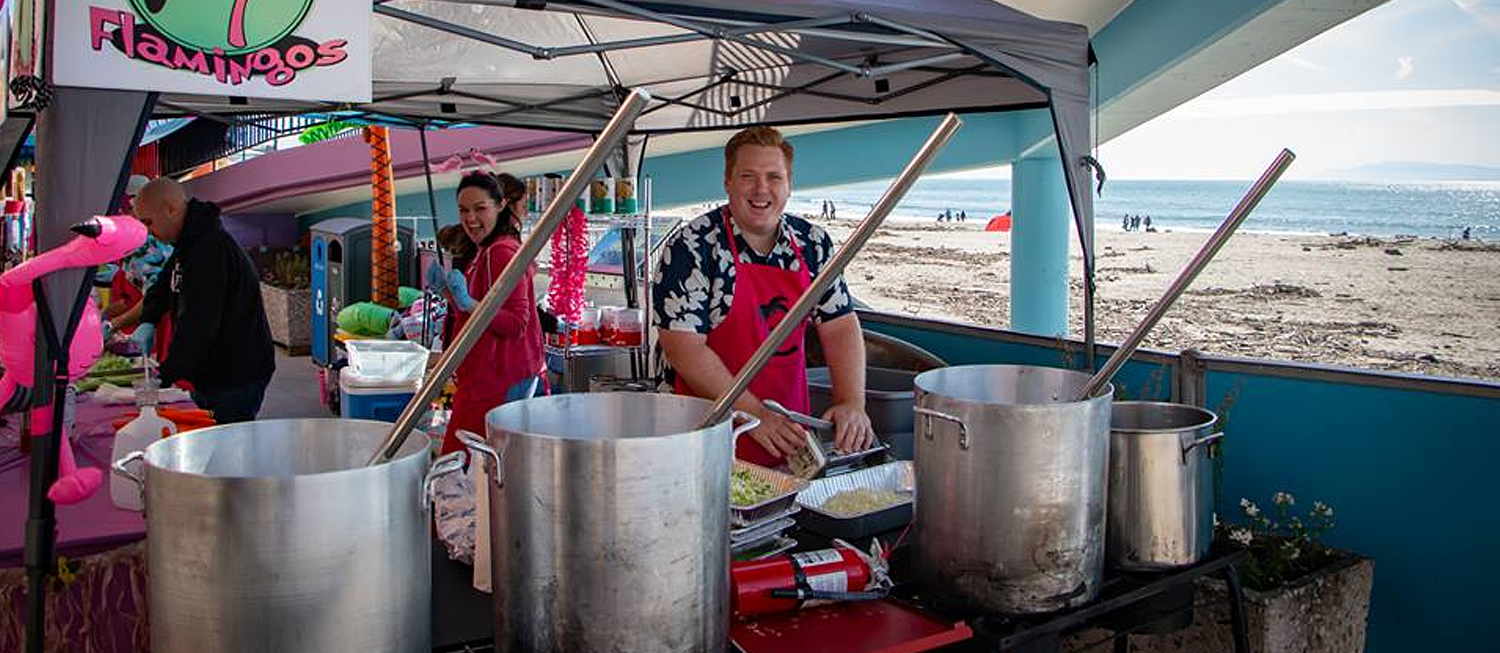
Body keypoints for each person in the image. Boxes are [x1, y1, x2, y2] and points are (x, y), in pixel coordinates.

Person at [654, 126, 874, 466]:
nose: (761, 189)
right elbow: (683, 348)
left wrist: (851, 401)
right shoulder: (693, 246)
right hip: (704, 432)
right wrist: (753, 414)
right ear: (727, 182)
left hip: (789, 434)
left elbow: (840, 324)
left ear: (788, 185)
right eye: (748, 176)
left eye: (774, 177)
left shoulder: (812, 244)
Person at [112, 178, 274, 423]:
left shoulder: (210, 249)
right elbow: (163, 287)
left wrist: (164, 376)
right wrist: (149, 320)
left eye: (148, 222)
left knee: (221, 447)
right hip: (212, 371)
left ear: (170, 209)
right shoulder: (188, 243)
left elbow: (198, 324)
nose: (148, 231)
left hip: (235, 374)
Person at [434, 172, 545, 455]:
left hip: (499, 378)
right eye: (463, 210)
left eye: (480, 208)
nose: (470, 218)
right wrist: (448, 294)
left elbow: (516, 323)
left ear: (500, 205)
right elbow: (480, 310)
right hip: (481, 375)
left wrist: (468, 302)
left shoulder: (502, 252)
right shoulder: (484, 250)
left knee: (466, 463)